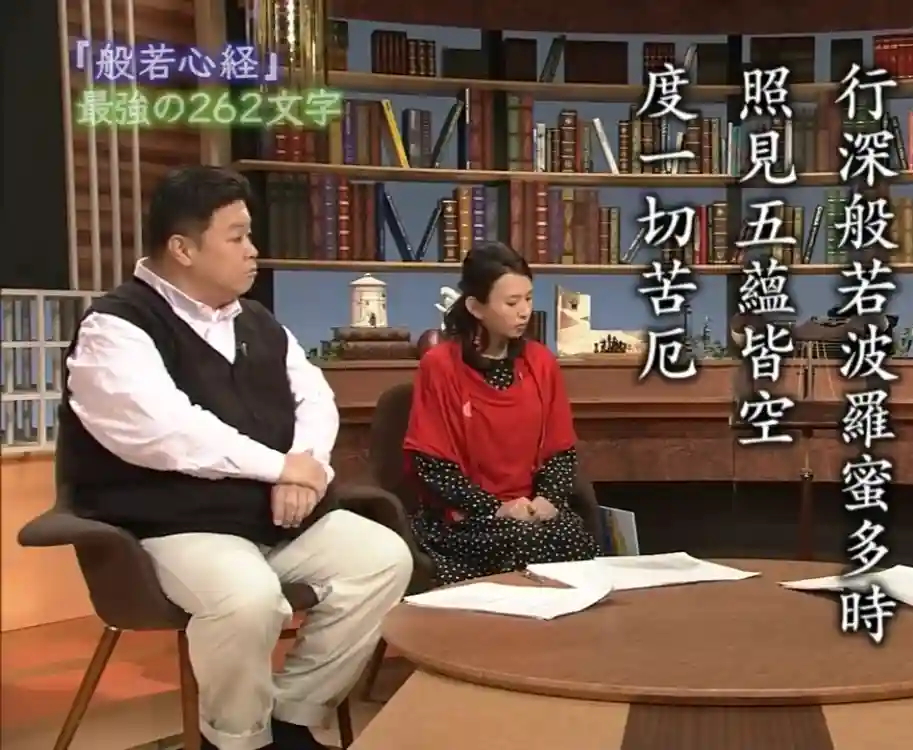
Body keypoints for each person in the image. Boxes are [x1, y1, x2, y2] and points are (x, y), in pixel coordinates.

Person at [62, 166, 414, 750]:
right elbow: (163, 429)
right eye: (237, 236)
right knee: (247, 599)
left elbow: (314, 399)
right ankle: (238, 740)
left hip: (273, 516)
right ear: (183, 248)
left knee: (382, 559)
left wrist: (304, 468)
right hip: (171, 525)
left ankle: (294, 717)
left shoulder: (258, 322)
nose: (253, 250)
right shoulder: (116, 327)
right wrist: (277, 468)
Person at [404, 241, 599, 584]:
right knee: (522, 541)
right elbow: (432, 467)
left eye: (528, 299)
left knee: (572, 536)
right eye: (511, 302)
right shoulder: (440, 367)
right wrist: (495, 507)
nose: (524, 311)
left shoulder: (541, 362)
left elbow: (561, 451)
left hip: (531, 510)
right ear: (476, 307)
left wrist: (547, 500)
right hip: (465, 518)